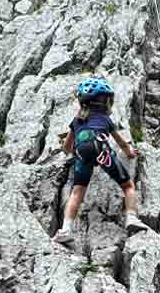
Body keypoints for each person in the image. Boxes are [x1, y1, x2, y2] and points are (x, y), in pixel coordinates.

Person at [53, 76, 146, 244]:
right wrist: (130, 152)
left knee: (77, 192)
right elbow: (121, 142)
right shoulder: (105, 120)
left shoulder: (77, 121)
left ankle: (66, 229)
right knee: (127, 185)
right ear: (104, 102)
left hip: (81, 153)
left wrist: (72, 150)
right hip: (99, 148)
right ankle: (131, 217)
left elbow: (67, 148)